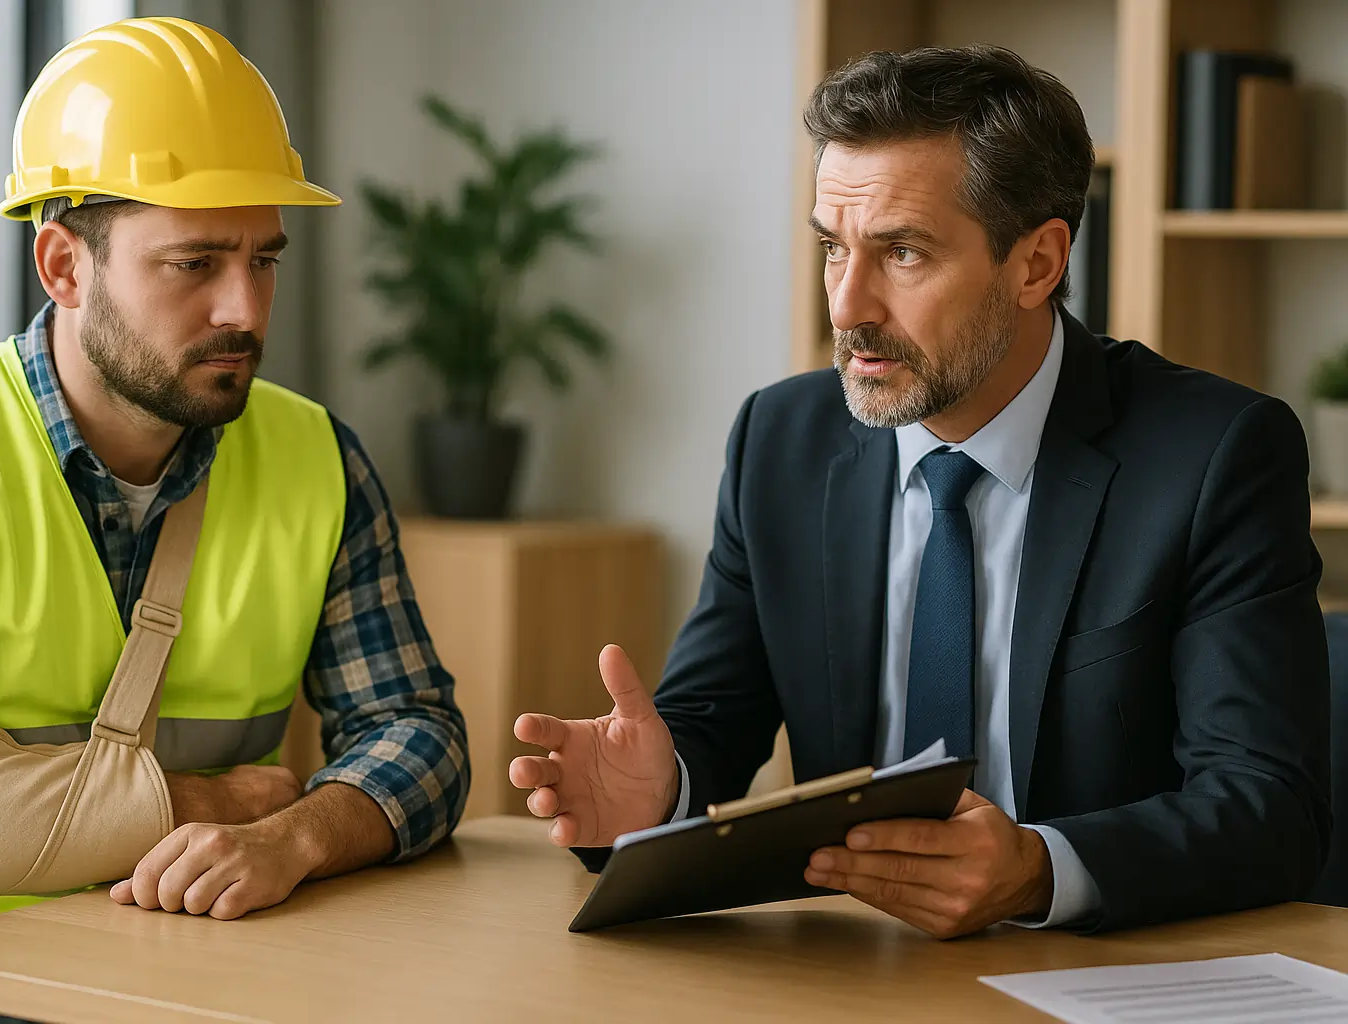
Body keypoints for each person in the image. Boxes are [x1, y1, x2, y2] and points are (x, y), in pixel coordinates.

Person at [510, 44, 1329, 938]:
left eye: (901, 252)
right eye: (833, 248)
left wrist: (1037, 869)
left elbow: (1268, 806)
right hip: (863, 971)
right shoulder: (780, 442)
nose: (846, 306)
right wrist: (660, 788)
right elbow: (715, 721)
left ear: (1037, 263)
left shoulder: (1213, 454)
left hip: (1102, 972)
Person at [0, 17, 468, 1022]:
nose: (244, 308)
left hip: (179, 937)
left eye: (264, 258)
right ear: (65, 266)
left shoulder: (318, 460)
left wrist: (290, 837)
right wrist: (213, 802)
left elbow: (421, 734)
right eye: (194, 263)